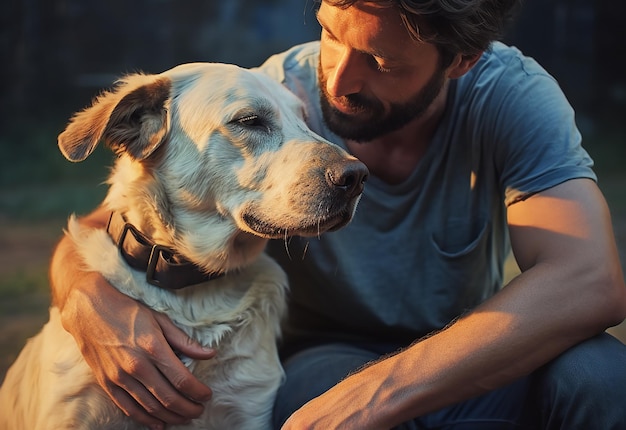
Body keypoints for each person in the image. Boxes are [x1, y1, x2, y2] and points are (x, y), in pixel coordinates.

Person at [49, 0, 626, 429]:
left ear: (460, 62)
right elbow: (116, 221)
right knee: (312, 395)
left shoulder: (509, 96)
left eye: (379, 60)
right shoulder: (275, 93)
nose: (339, 79)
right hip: (326, 358)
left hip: (464, 350)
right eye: (329, 33)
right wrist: (86, 301)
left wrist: (382, 390)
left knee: (601, 378)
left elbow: (589, 278)